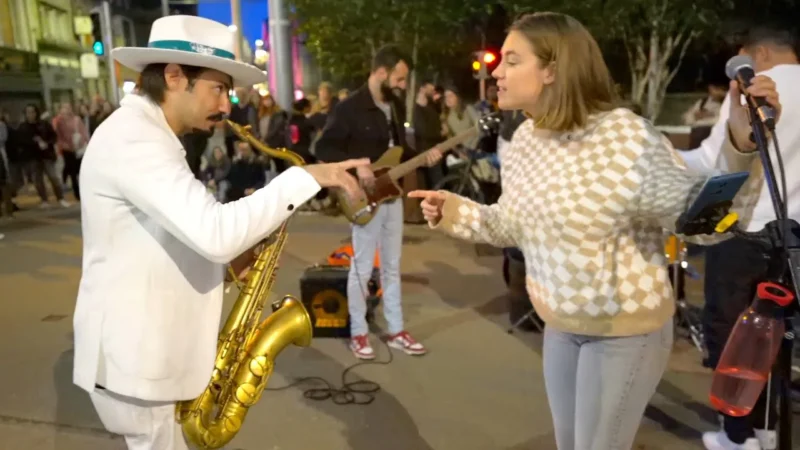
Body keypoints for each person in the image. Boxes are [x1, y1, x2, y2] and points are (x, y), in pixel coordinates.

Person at [408, 12, 780, 450]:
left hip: (624, 332)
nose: (496, 72)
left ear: (552, 69)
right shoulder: (526, 139)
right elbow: (512, 224)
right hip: (560, 327)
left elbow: (701, 224)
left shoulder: (623, 136)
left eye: (512, 60)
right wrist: (455, 211)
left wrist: (740, 146)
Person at [72, 15, 369, 450]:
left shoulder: (146, 135)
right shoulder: (135, 139)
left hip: (143, 359)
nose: (227, 106)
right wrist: (305, 178)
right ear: (175, 76)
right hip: (138, 364)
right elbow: (215, 231)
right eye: (218, 88)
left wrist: (227, 266)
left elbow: (157, 238)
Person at [677, 24, 800, 450]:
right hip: (793, 240)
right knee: (776, 338)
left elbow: (714, 161)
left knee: (733, 335)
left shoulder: (752, 92)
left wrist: (659, 153)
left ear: (758, 53)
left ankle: (737, 435)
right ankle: (768, 429)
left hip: (744, 231)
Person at [315, 44, 442, 359]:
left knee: (392, 265)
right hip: (362, 198)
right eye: (399, 78)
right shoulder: (348, 108)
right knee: (361, 266)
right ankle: (358, 333)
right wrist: (357, 166)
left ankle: (396, 330)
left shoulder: (394, 105)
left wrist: (423, 156)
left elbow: (398, 151)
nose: (402, 85)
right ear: (381, 72)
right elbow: (323, 149)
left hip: (392, 195)